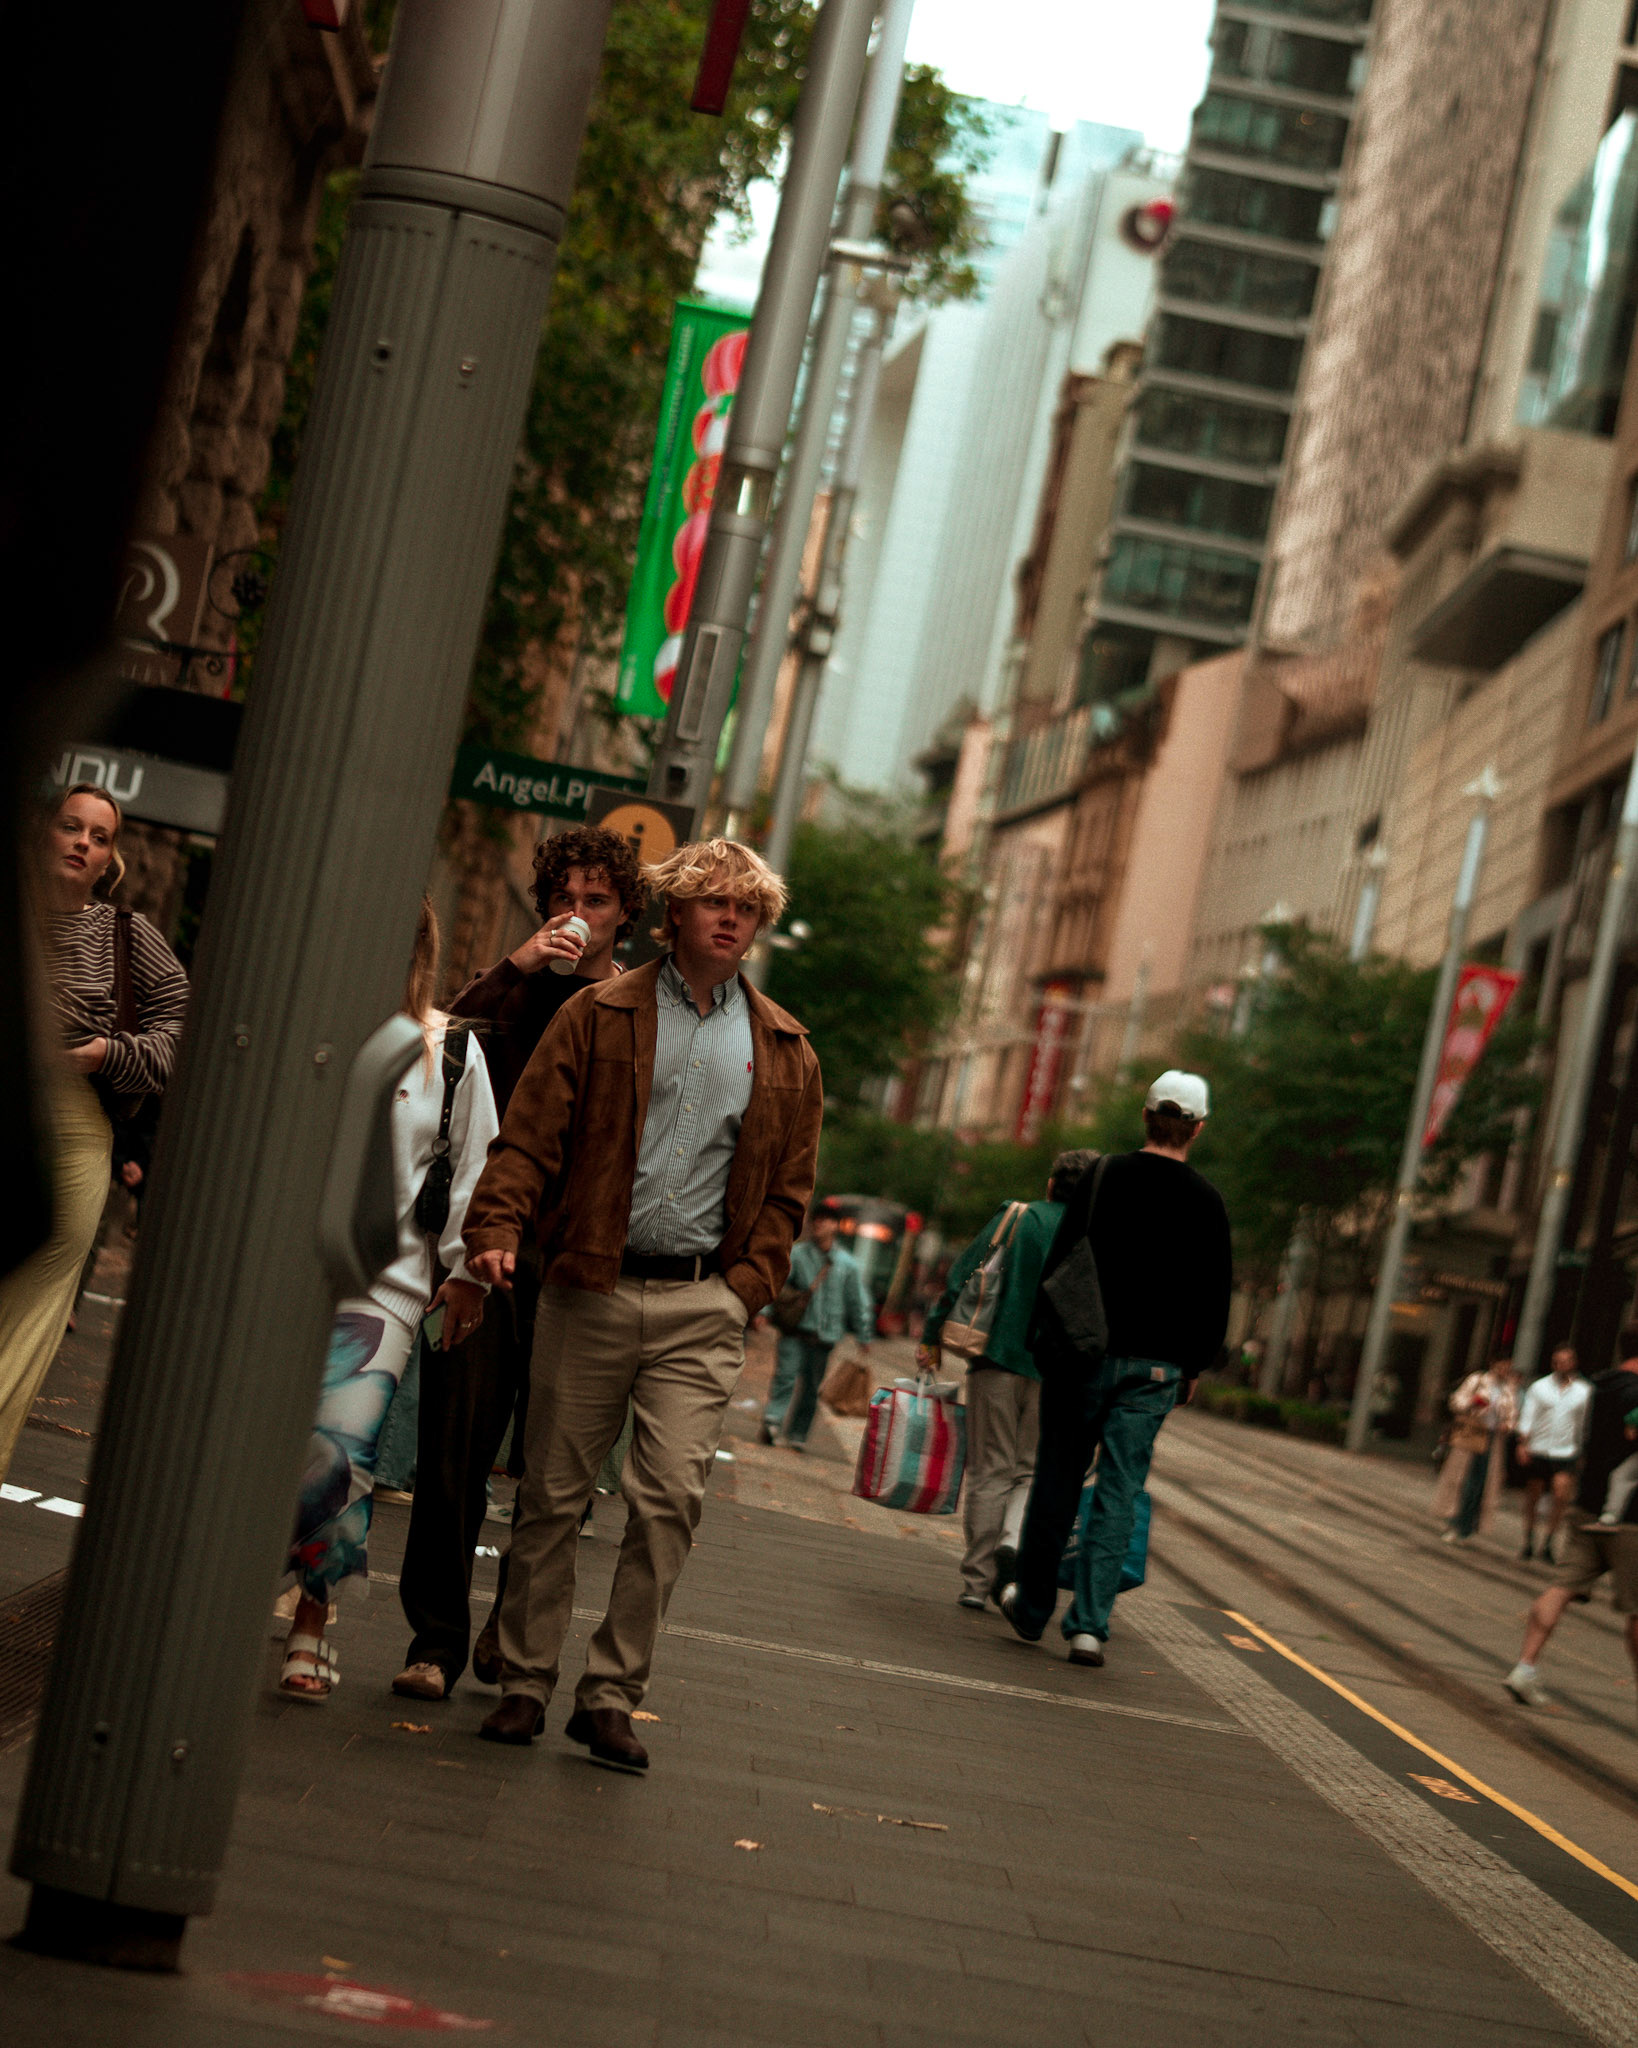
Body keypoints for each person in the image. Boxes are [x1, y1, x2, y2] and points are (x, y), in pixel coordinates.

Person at [461, 838, 821, 1768]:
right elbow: (529, 1137)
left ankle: (612, 1695)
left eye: (747, 905)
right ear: (676, 912)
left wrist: (747, 1290)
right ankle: (526, 1682)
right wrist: (497, 1225)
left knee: (669, 1502)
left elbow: (789, 1191)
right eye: (714, 900)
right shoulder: (598, 1012)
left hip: (704, 1305)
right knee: (551, 1496)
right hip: (591, 1285)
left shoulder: (785, 1049)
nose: (731, 916)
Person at [392, 825, 645, 1700]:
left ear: (624, 915)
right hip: (488, 1242)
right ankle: (435, 1640)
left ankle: (510, 1631)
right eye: (564, 900)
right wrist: (519, 963)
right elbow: (448, 1047)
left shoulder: (633, 1007)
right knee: (454, 1446)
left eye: (596, 901)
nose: (578, 915)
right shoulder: (509, 990)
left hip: (579, 1258)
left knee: (552, 1468)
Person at [279, 897, 497, 1700]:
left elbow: (475, 1165)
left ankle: (311, 1621)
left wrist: (466, 1272)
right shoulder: (302, 1023)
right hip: (280, 1273)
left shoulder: (450, 1048)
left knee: (341, 1453)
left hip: (388, 1283)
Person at [998, 1072, 1232, 1668]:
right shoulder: (1208, 1201)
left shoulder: (1102, 1176)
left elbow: (1061, 1262)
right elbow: (1213, 1295)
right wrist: (1194, 1366)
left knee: (1056, 1477)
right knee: (1119, 1491)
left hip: (1082, 1356)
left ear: (1146, 1116)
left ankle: (1032, 1607)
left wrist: (1043, 1341)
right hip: (1156, 1370)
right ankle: (1089, 1628)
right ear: (1198, 1130)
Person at [0, 785, 187, 1484]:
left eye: (99, 836)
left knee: (31, 1310)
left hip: (76, 1125)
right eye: (70, 826)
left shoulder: (126, 934)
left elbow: (183, 1032)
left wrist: (107, 1054)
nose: (82, 842)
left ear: (110, 857)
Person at [919, 1151, 1096, 1611]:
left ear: (1051, 1183)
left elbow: (962, 1277)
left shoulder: (1017, 1218)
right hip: (1056, 1373)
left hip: (995, 1359)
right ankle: (1012, 1548)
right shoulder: (1093, 1234)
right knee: (1029, 1470)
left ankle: (976, 1583)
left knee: (989, 1470)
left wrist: (932, 1335)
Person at [1505, 1332, 1638, 1711]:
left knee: (1561, 1586)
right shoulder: (1634, 1393)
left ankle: (1525, 1667)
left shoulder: (1596, 1387)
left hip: (1587, 1507)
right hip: (1630, 1519)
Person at [760, 1197, 874, 1451]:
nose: (818, 1225)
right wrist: (764, 1310)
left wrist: (864, 1334)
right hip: (794, 1330)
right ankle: (772, 1422)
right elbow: (777, 1283)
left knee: (811, 1389)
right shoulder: (798, 1255)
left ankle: (798, 1433)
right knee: (785, 1377)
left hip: (824, 1336)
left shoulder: (846, 1264)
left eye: (825, 1221)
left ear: (835, 1226)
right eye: (816, 1220)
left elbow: (857, 1301)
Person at [1515, 1345, 1589, 1563]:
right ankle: (1528, 1539)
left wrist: (1583, 1450)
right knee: (1533, 1495)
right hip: (1539, 1448)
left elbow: (1584, 1423)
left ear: (1573, 1363)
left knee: (1561, 1494)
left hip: (1566, 1450)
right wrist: (1523, 1443)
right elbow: (1528, 1415)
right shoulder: (1540, 1387)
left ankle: (1549, 1540)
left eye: (1566, 1361)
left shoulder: (1583, 1391)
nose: (1561, 1366)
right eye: (1558, 1361)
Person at [1435, 1358, 1520, 1544]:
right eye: (1501, 1366)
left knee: (1481, 1485)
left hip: (1492, 1440)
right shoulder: (1478, 1380)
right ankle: (1453, 1521)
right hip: (1471, 1435)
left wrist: (1507, 1425)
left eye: (1508, 1367)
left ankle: (1467, 1525)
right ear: (1494, 1365)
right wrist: (1473, 1402)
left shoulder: (1508, 1388)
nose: (1504, 1370)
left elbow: (1512, 1415)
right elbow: (1457, 1401)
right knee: (1461, 1480)